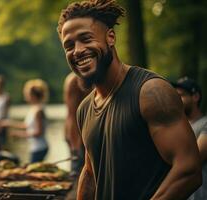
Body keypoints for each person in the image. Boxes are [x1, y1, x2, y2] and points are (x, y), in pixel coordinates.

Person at [57, 1, 202, 199]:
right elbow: (91, 172)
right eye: (69, 45)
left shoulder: (150, 92)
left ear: (110, 37)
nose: (78, 50)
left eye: (86, 39)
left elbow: (189, 170)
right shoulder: (85, 108)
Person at [172, 77, 207, 200]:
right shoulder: (177, 127)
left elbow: (194, 159)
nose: (177, 100)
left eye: (181, 95)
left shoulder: (205, 124)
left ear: (195, 97)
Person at [1, 79, 49, 163]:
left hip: (40, 148)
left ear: (33, 95)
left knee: (33, 171)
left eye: (27, 94)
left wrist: (19, 134)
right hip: (35, 147)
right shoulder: (33, 109)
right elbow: (26, 125)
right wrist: (9, 123)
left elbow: (39, 132)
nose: (25, 96)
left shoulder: (38, 111)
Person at [64, 72, 92, 200]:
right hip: (78, 138)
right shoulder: (74, 81)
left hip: (87, 136)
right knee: (78, 176)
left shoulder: (94, 77)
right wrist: (76, 146)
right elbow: (72, 115)